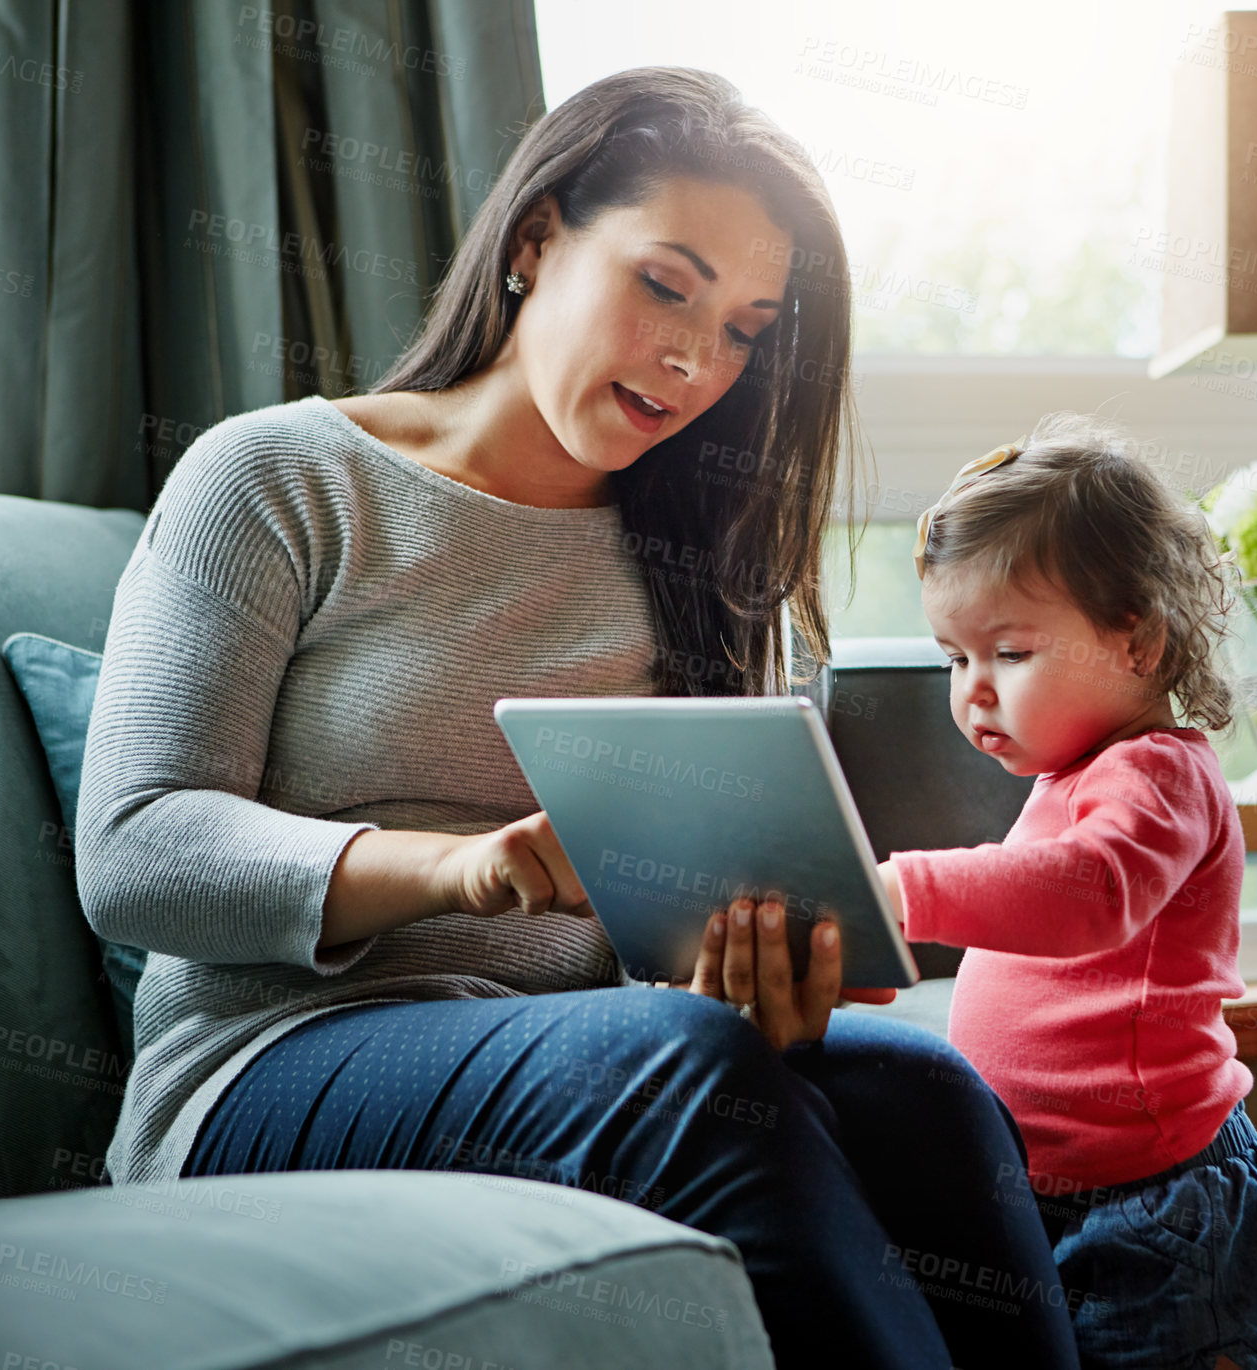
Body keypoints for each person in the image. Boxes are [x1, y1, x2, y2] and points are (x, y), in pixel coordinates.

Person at [75, 66, 1080, 1369]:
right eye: (665, 285)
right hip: (264, 1060)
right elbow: (132, 853)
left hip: (583, 1042)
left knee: (929, 1095)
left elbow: (658, 958)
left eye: (743, 328)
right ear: (535, 239)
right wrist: (456, 868)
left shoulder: (699, 559)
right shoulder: (279, 479)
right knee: (681, 1070)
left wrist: (750, 979)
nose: (693, 359)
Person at [877, 412, 1257, 1368]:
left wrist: (904, 890)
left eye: (1009, 654)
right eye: (955, 658)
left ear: (1138, 641)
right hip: (1060, 1190)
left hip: (1162, 1205)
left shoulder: (1159, 773)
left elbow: (1088, 894)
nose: (972, 691)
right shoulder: (1068, 778)